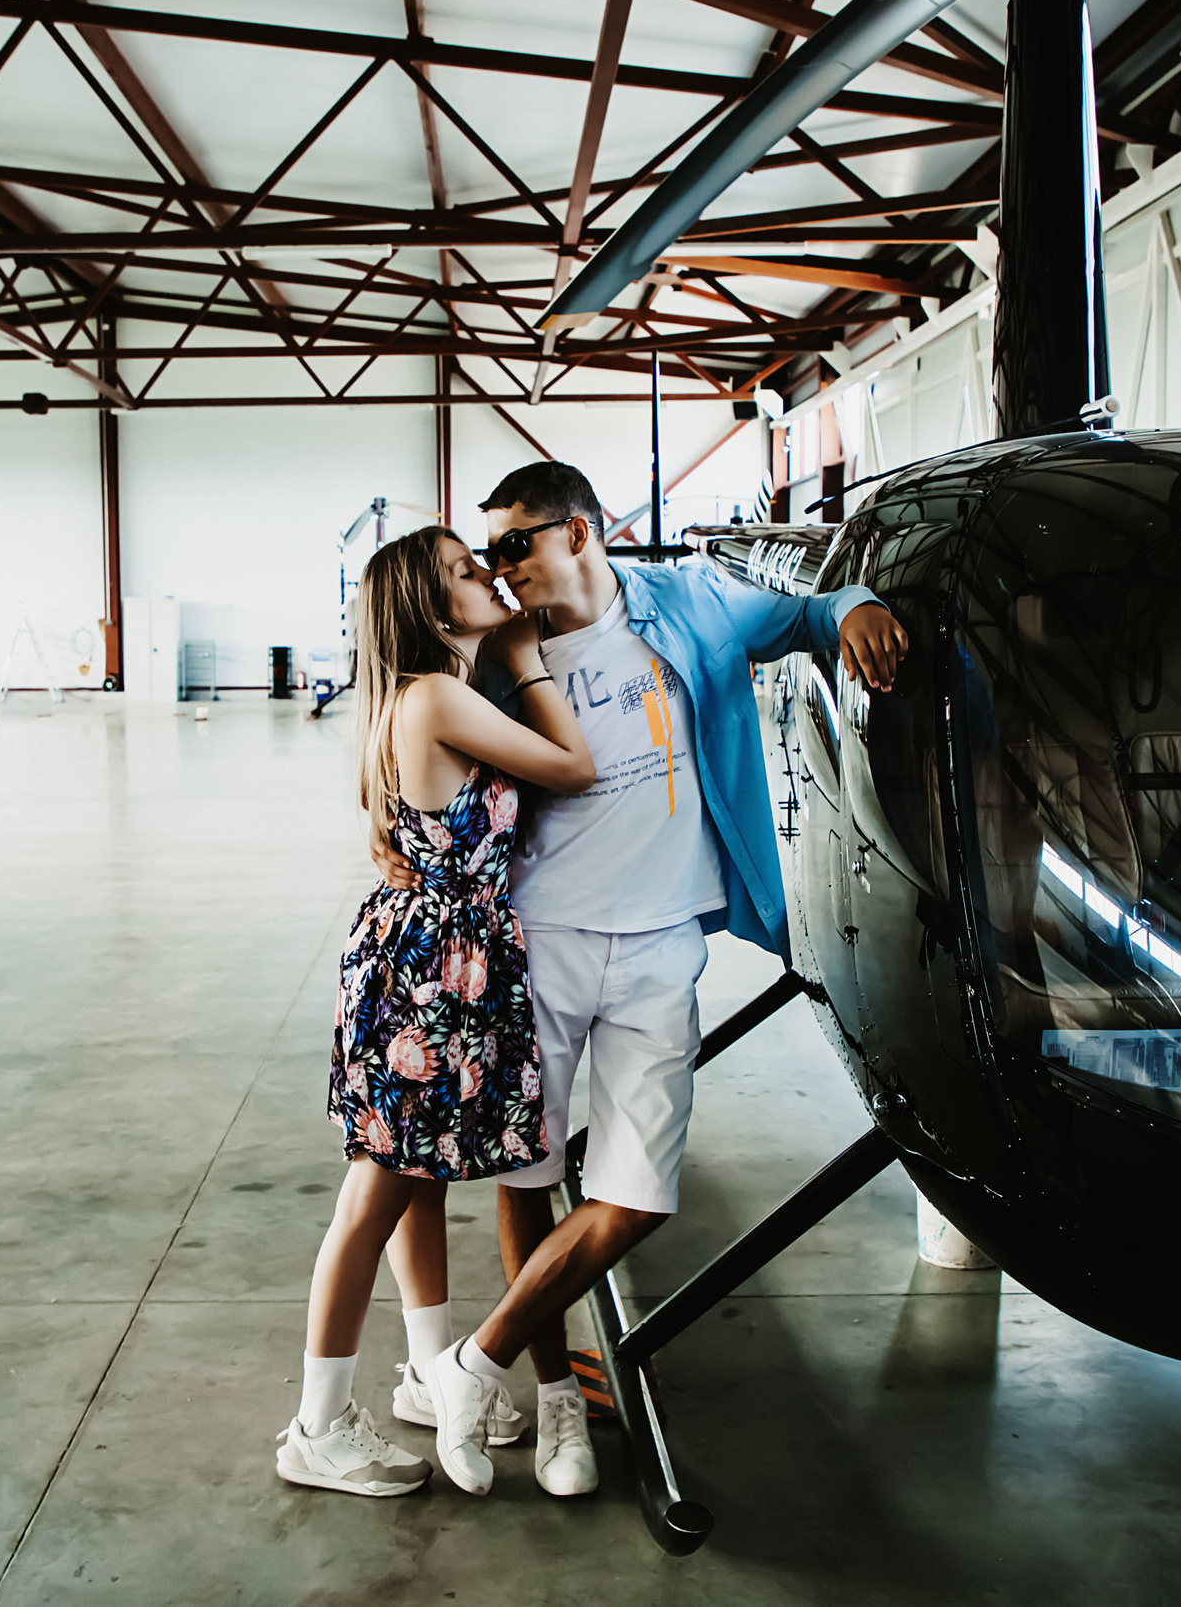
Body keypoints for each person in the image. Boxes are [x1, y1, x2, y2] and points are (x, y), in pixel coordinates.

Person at [378, 460, 906, 1498]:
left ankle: (468, 1365)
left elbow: (813, 610)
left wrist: (862, 608)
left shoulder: (695, 605)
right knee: (531, 1176)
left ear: (580, 532)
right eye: (486, 552)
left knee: (636, 1195)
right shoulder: (492, 657)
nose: (500, 566)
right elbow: (411, 739)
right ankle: (561, 1397)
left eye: (514, 543)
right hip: (537, 941)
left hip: (665, 940)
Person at [276, 526, 598, 1498]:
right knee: (373, 1197)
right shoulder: (437, 695)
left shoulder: (423, 697)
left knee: (413, 1184)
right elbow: (573, 767)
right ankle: (315, 1429)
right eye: (466, 573)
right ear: (425, 608)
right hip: (425, 975)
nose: (490, 577)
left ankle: (426, 1373)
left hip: (435, 962)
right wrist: (525, 659)